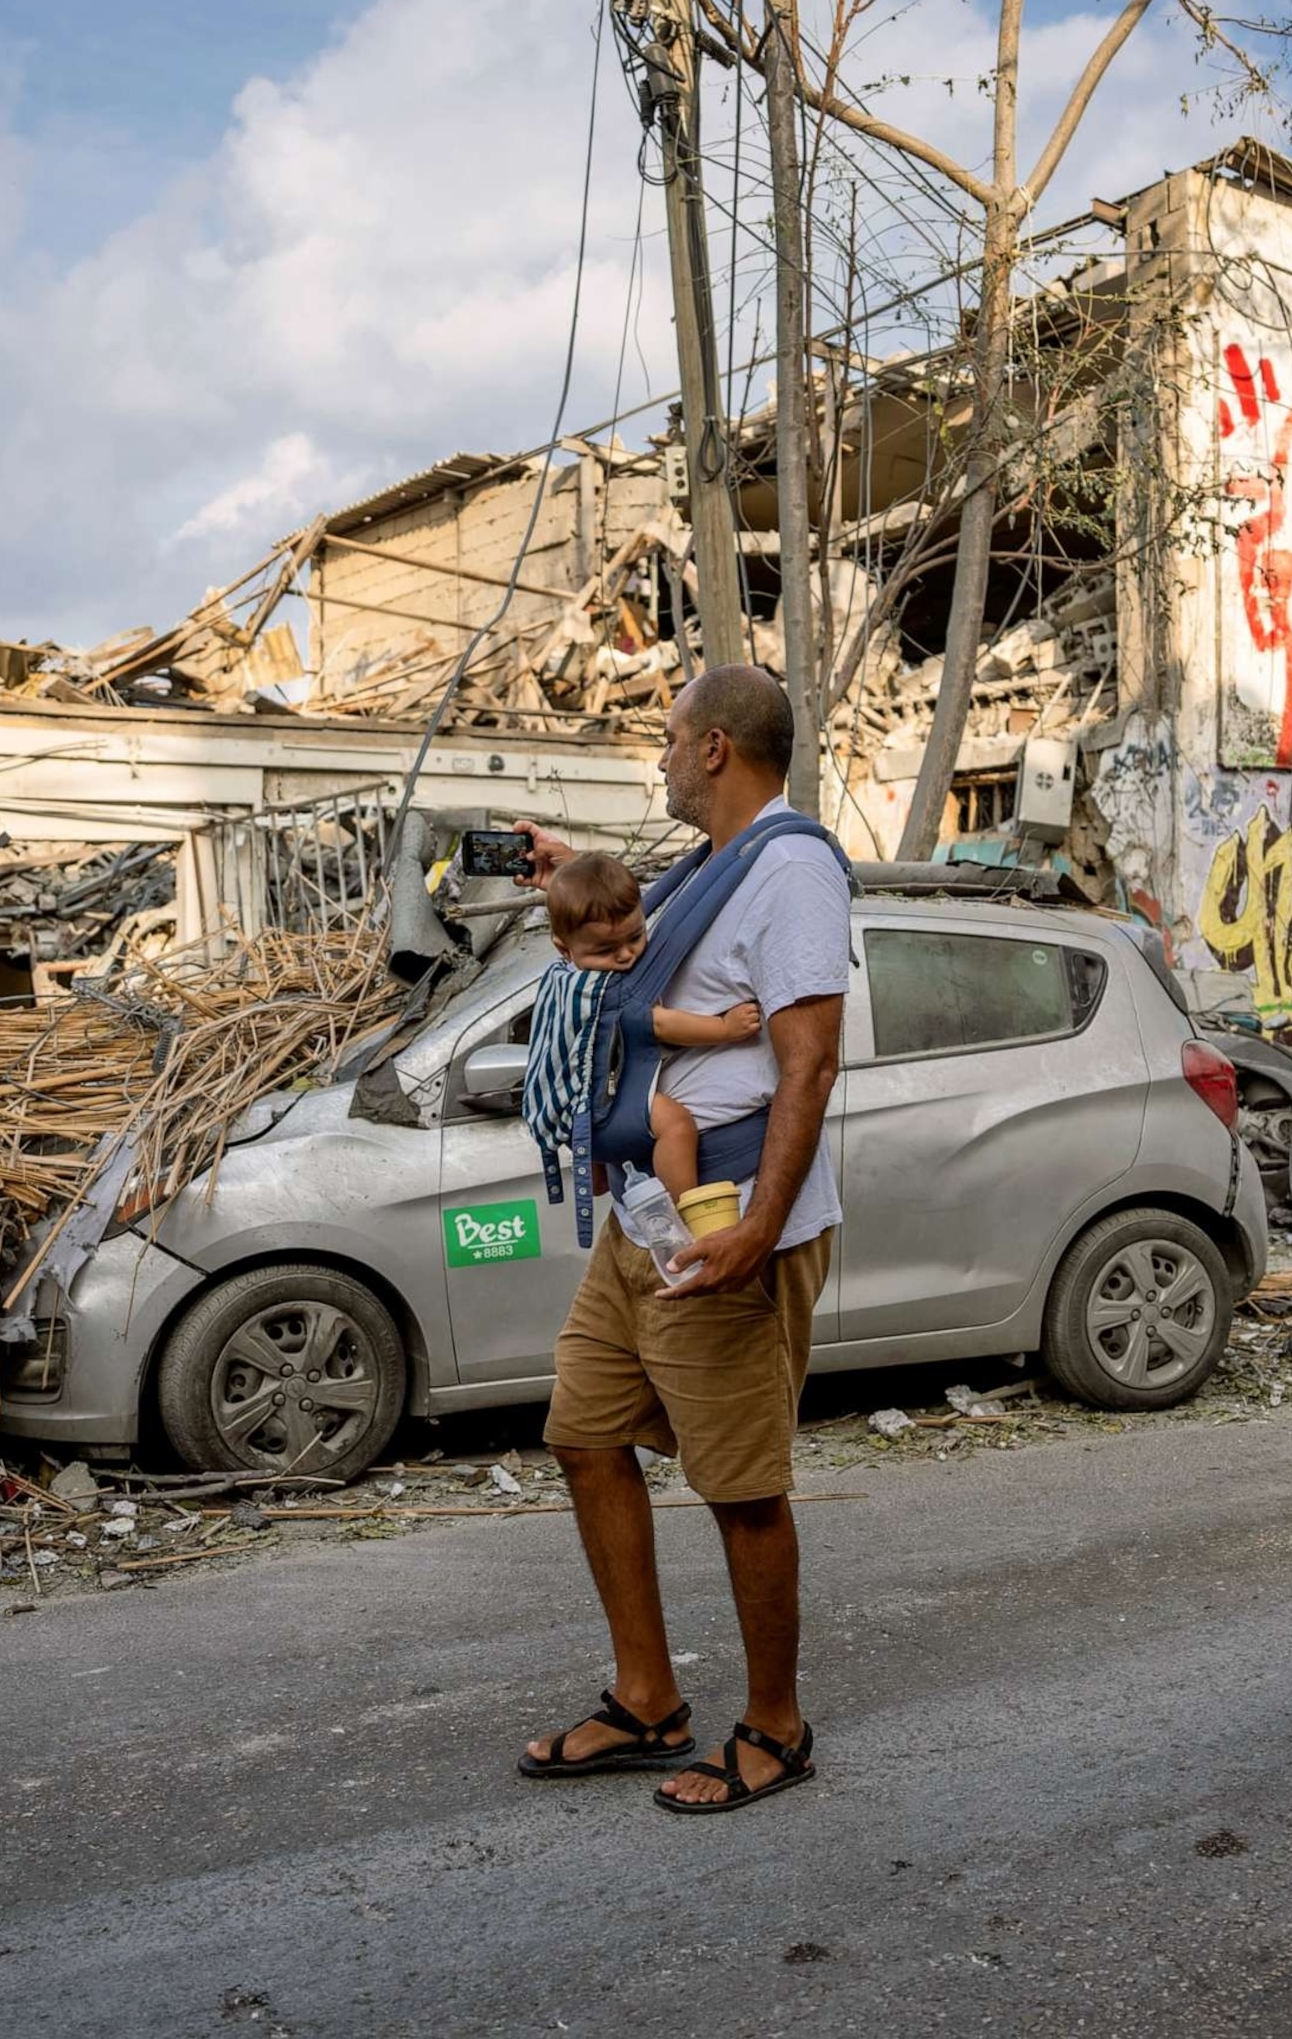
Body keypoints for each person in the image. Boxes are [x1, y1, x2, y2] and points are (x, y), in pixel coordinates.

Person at [508, 664, 850, 1814]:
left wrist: (760, 1228)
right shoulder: (709, 869)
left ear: (714, 748)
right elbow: (632, 949)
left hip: (723, 1224)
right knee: (584, 1430)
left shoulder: (793, 870)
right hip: (642, 1221)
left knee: (739, 1481)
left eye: (666, 741)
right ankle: (649, 1697)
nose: (657, 759)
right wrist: (571, 874)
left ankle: (776, 1725)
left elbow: (808, 1060)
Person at [519, 850, 763, 1228]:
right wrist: (724, 1028)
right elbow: (661, 1025)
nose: (625, 955)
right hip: (598, 1118)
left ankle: (599, 1173)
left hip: (569, 1113)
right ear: (564, 949)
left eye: (636, 936)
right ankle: (689, 1209)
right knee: (677, 1125)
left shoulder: (560, 977)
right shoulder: (605, 990)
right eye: (604, 950)